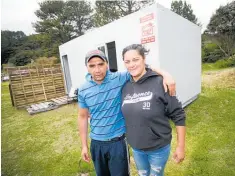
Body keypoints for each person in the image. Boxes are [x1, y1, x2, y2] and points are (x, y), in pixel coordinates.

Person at [78, 49, 176, 176]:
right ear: (86, 67)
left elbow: (139, 67)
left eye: (101, 64)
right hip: (96, 143)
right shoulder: (83, 89)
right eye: (92, 66)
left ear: (107, 64)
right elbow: (82, 117)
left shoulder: (119, 78)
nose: (97, 70)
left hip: (118, 142)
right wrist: (84, 146)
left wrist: (166, 74)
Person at [121, 44, 186, 176]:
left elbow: (179, 115)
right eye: (127, 61)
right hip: (137, 148)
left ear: (144, 59)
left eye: (135, 59)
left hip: (158, 148)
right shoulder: (125, 86)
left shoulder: (160, 82)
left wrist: (180, 147)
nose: (131, 65)